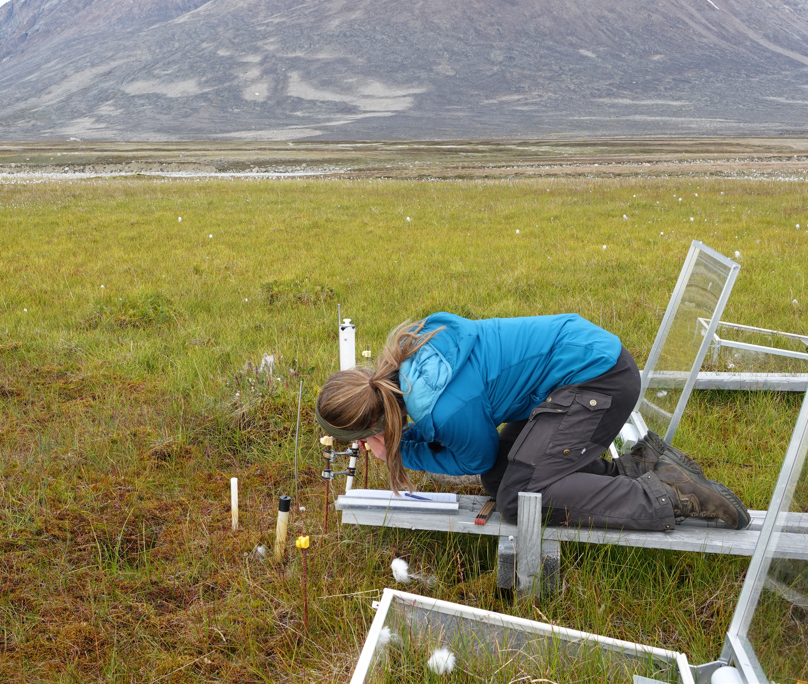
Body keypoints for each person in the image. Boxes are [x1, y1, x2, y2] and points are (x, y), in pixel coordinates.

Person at [315, 312, 750, 531]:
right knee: (500, 479)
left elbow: (474, 457)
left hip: (600, 381)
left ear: (373, 428)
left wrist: (400, 451)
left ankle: (670, 495)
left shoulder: (445, 408)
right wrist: (400, 440)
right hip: (579, 372)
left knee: (520, 499)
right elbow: (487, 460)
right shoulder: (415, 356)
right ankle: (639, 467)